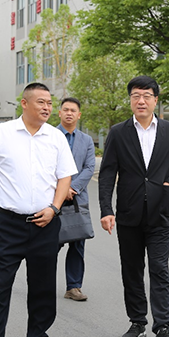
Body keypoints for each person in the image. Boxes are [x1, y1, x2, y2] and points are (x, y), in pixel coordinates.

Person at [0, 82, 77, 337]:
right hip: (8, 223)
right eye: (41, 102)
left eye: (49, 103)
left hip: (45, 224)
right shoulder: (1, 133)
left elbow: (65, 177)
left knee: (43, 287)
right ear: (24, 104)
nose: (47, 107)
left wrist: (54, 208)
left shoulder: (56, 137)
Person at [99, 75, 169, 337]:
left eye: (146, 96)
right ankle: (137, 321)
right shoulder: (118, 132)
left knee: (159, 269)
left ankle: (163, 327)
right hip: (128, 214)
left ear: (155, 100)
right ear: (130, 100)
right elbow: (107, 173)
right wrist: (106, 209)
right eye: (136, 96)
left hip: (161, 213)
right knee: (132, 269)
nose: (141, 101)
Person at [56, 97, 96, 302]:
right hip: (52, 197)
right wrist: (61, 189)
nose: (69, 113)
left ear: (79, 115)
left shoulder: (86, 140)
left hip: (77, 199)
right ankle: (42, 284)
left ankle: (73, 287)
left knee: (77, 245)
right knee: (49, 243)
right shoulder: (49, 135)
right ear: (60, 113)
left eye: (73, 110)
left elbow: (89, 167)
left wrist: (72, 188)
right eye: (66, 110)